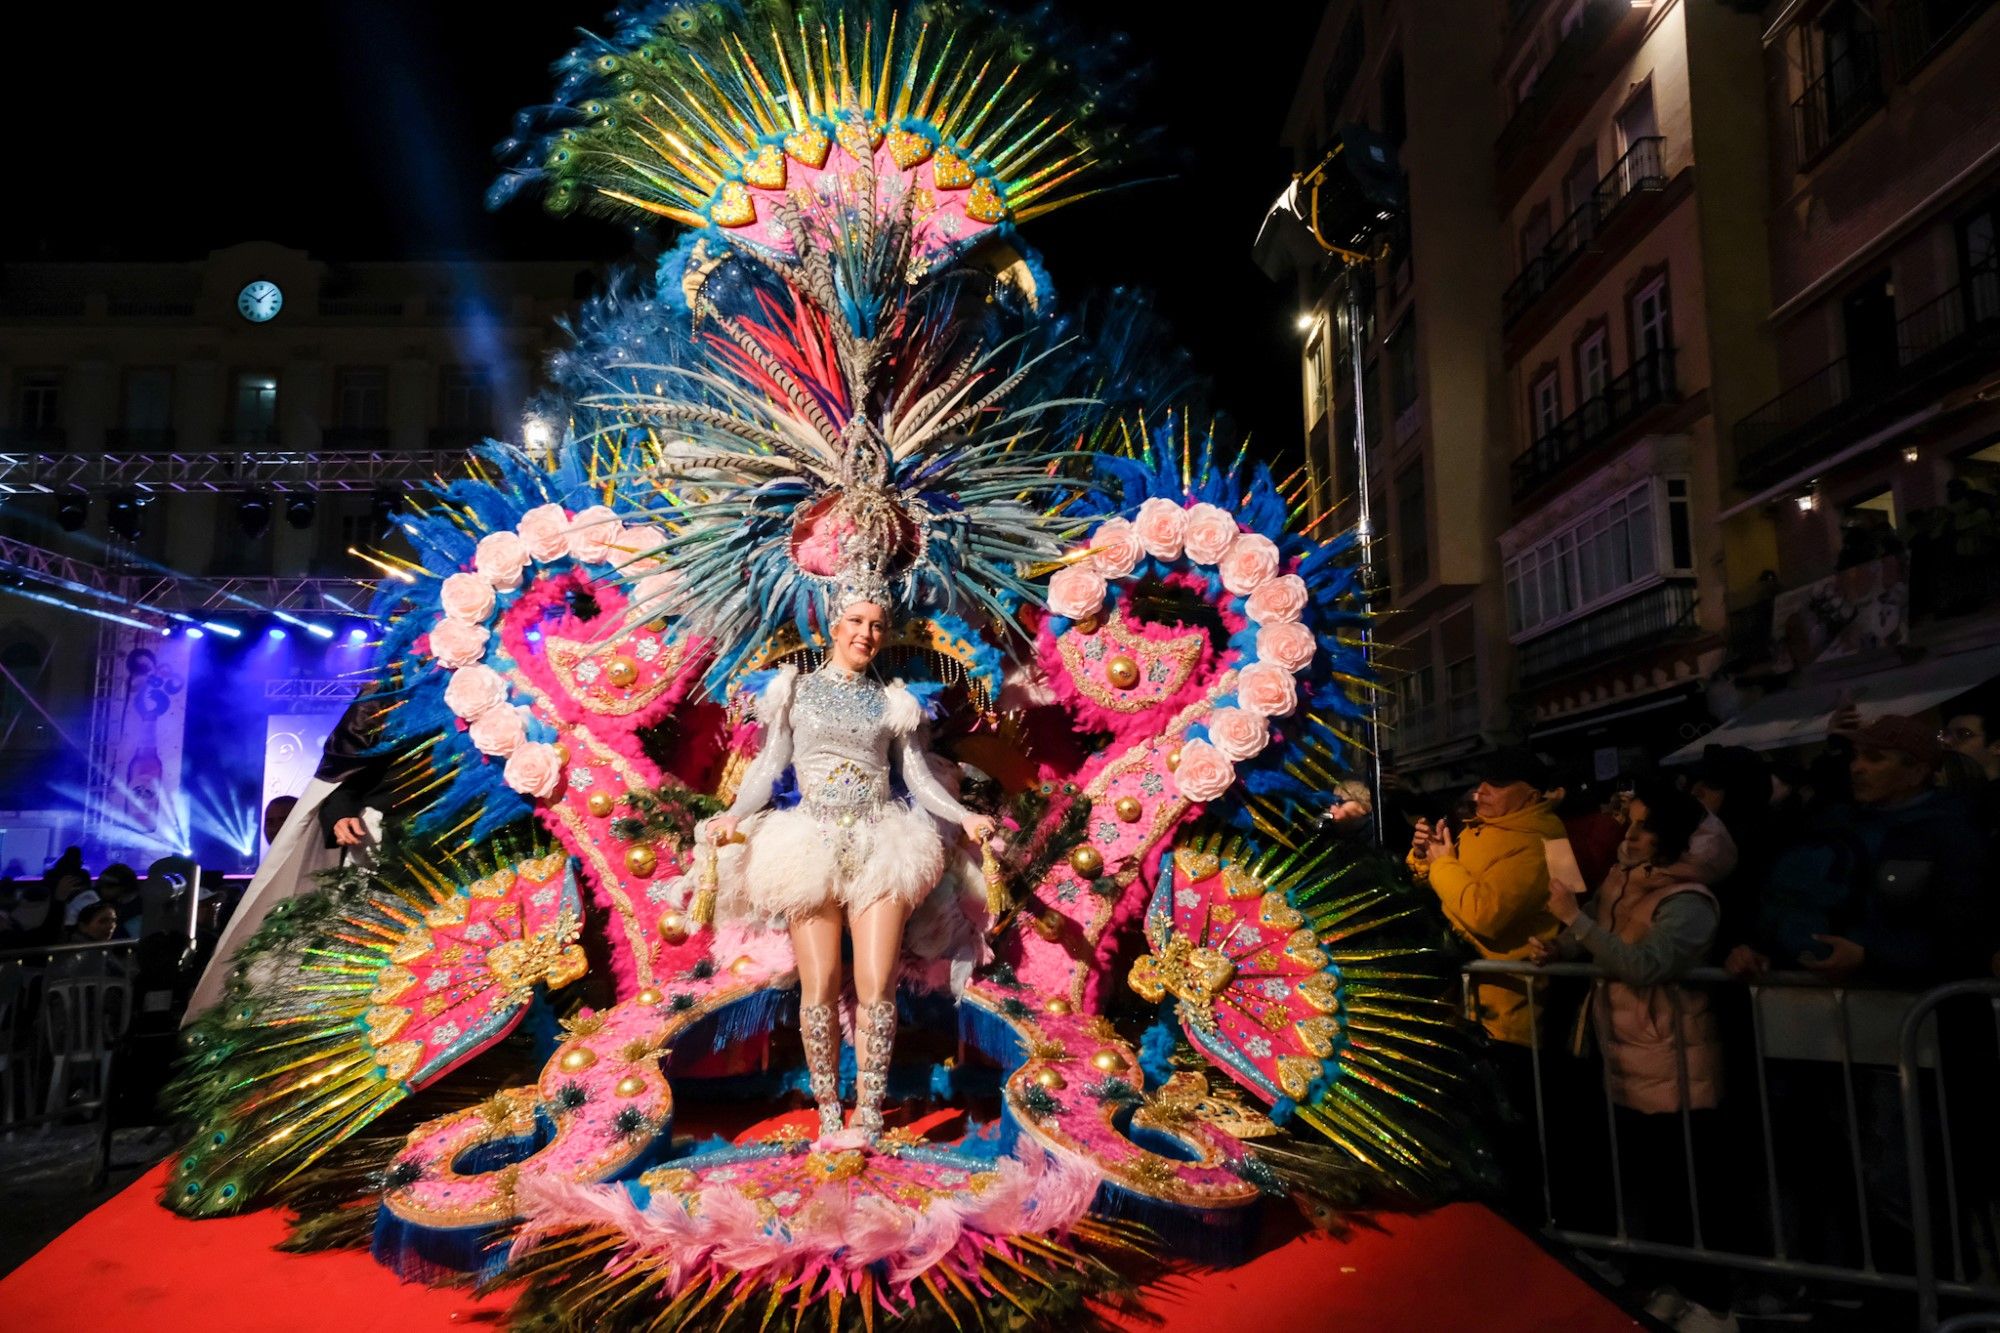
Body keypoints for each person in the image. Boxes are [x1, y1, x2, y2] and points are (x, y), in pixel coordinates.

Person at [700, 588, 994, 1143]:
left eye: (878, 625)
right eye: (856, 620)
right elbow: (768, 766)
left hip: (882, 843)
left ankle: (870, 1110)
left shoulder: (895, 701)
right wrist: (734, 814)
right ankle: (829, 1107)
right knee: (820, 984)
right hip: (807, 842)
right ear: (834, 627)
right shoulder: (794, 692)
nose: (866, 633)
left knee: (877, 984)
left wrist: (966, 816)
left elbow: (920, 780)